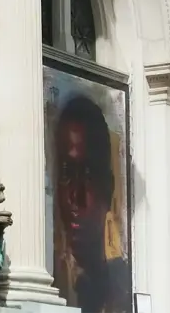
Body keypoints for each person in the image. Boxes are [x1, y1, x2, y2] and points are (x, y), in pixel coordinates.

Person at [53, 96, 132, 313]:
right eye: (66, 172)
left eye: (88, 174)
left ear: (109, 187)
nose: (75, 196)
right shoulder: (52, 277)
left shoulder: (122, 287)